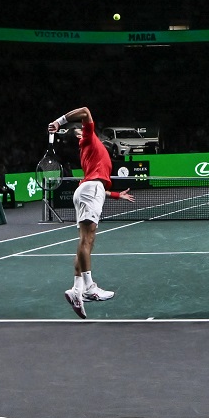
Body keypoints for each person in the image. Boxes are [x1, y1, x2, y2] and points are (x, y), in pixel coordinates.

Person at [46, 106, 118, 317]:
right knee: (86, 240)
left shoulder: (89, 149)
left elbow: (95, 180)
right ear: (79, 134)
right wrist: (60, 122)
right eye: (80, 129)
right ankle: (90, 288)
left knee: (86, 241)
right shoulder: (87, 139)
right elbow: (85, 111)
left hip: (90, 189)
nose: (85, 128)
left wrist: (115, 195)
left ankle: (77, 290)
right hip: (91, 190)